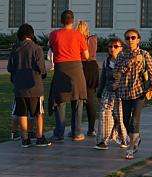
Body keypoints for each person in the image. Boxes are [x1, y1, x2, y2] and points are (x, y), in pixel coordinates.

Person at [114, 28, 152, 159]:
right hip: (124, 91)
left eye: (133, 37)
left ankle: (131, 148)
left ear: (138, 39)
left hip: (139, 91)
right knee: (125, 121)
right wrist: (130, 62)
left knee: (134, 120)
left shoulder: (144, 54)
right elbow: (116, 73)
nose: (130, 40)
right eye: (127, 38)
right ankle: (136, 138)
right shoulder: (121, 55)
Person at [48, 9, 90, 141]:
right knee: (77, 100)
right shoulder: (79, 35)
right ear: (73, 21)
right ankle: (77, 132)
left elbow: (53, 50)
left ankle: (59, 133)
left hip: (61, 69)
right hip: (76, 69)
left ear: (61, 20)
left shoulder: (54, 34)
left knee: (60, 101)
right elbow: (87, 55)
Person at [7, 23, 51, 147]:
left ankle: (25, 139)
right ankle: (39, 137)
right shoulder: (36, 48)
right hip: (34, 86)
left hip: (19, 87)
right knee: (38, 113)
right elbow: (41, 69)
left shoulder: (15, 48)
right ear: (31, 34)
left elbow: (10, 68)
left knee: (22, 113)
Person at [96, 37, 127, 150]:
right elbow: (103, 78)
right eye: (110, 47)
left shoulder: (125, 61)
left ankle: (124, 139)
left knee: (119, 117)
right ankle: (103, 141)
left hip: (121, 94)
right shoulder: (107, 62)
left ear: (121, 48)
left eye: (115, 46)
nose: (112, 49)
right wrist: (99, 93)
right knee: (104, 115)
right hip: (107, 92)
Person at [77, 20, 102, 138]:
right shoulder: (93, 39)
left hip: (81, 65)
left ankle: (77, 129)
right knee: (90, 98)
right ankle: (91, 129)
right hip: (92, 66)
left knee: (78, 99)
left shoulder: (78, 39)